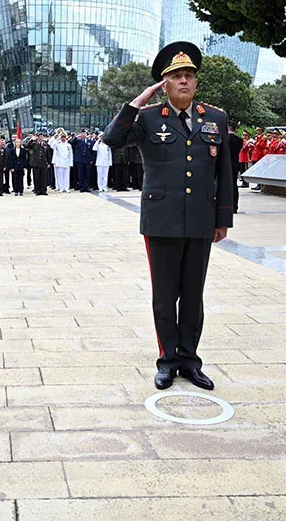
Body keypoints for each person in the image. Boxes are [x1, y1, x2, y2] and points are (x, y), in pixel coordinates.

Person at [103, 41, 232, 392]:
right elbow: (112, 139)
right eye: (176, 76)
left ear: (196, 83)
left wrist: (223, 219)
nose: (184, 81)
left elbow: (225, 171)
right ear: (165, 83)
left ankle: (189, 360)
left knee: (193, 294)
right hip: (161, 220)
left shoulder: (215, 119)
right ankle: (167, 360)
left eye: (189, 75)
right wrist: (137, 101)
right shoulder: (146, 118)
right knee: (164, 296)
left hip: (201, 221)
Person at [227, 123, 242, 214]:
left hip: (226, 164)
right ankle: (234, 206)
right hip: (235, 163)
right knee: (234, 185)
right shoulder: (239, 140)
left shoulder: (225, 139)